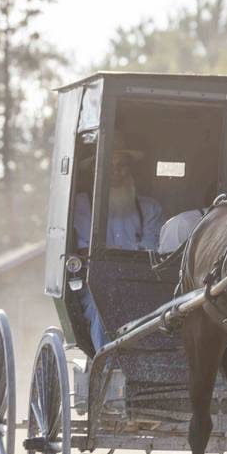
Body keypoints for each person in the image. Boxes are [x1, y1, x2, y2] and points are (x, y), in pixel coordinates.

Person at [71, 140, 163, 349]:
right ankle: (107, 363)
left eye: (122, 165)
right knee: (102, 306)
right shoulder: (83, 206)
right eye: (108, 166)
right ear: (97, 171)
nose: (116, 172)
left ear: (130, 170)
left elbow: (152, 253)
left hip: (142, 284)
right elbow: (86, 251)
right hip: (96, 284)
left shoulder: (150, 208)